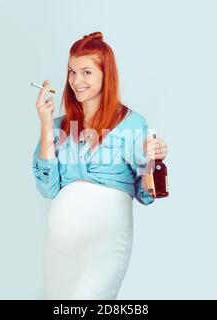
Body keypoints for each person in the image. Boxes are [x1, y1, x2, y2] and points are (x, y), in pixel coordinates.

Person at [32, 32, 168, 299]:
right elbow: (48, 187)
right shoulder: (59, 125)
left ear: (106, 75)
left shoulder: (131, 123)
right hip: (61, 244)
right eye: (71, 72)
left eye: (86, 72)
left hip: (106, 240)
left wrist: (152, 157)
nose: (76, 81)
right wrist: (46, 123)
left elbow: (146, 193)